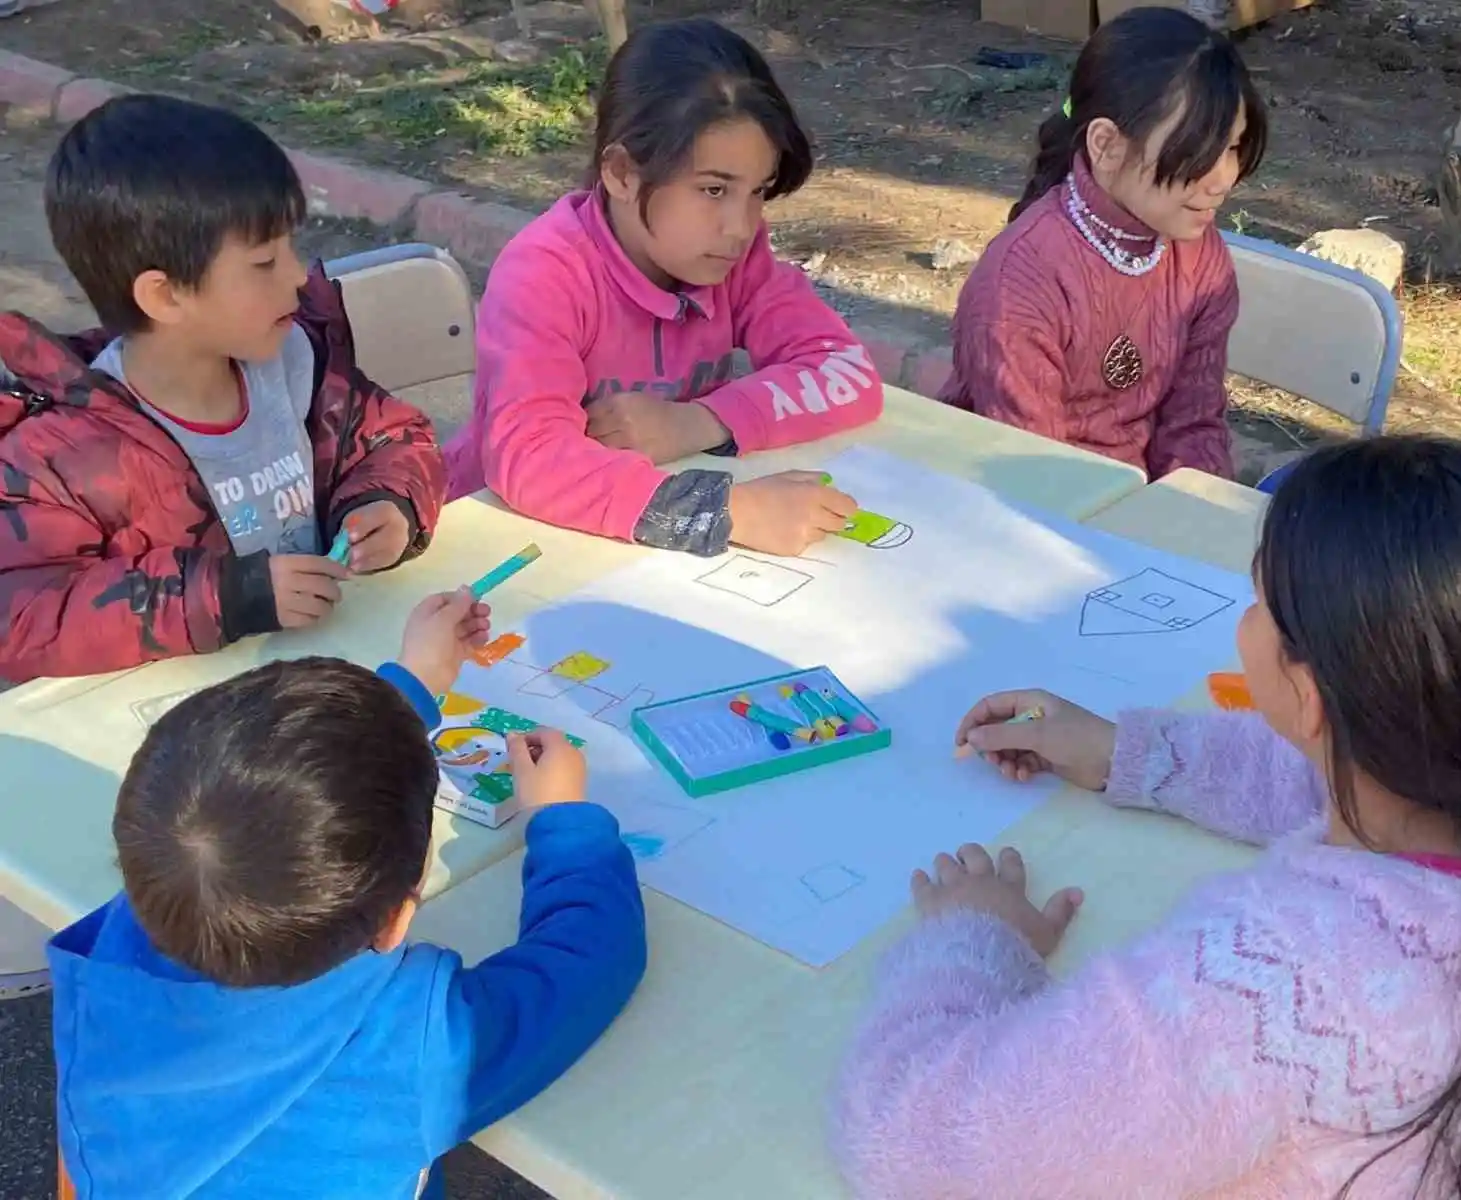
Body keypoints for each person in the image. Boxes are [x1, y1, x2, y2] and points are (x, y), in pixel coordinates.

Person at [832, 436, 1461, 1198]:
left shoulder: (1271, 987)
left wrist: (972, 939)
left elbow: (923, 1142)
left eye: (1259, 602)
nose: (1248, 618)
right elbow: (1325, 780)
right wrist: (1125, 750)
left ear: (1308, 699)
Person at [49, 588, 648, 1199]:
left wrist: (409, 688)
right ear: (395, 924)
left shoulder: (130, 934)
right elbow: (592, 960)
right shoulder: (414, 1046)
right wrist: (563, 818)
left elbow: (268, 809)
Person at [0, 94, 447, 684]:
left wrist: (386, 505)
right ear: (164, 296)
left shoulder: (297, 360)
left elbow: (394, 438)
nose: (297, 274)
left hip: (324, 680)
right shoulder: (64, 453)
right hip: (187, 738)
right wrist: (227, 598)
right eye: (264, 262)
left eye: (290, 245)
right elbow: (23, 617)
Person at [445, 18, 884, 559]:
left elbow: (845, 371)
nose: (740, 226)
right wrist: (723, 511)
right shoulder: (545, 274)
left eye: (757, 192)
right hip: (502, 548)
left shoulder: (733, 258)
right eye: (714, 189)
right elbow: (529, 459)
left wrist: (698, 422)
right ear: (623, 172)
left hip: (635, 548)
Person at [941, 8, 1267, 480]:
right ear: (1107, 145)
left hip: (1136, 509)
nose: (1223, 180)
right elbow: (1032, 471)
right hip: (1019, 501)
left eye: (1234, 147)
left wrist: (1198, 521)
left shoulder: (1200, 258)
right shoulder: (1019, 283)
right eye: (1198, 152)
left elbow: (1194, 426)